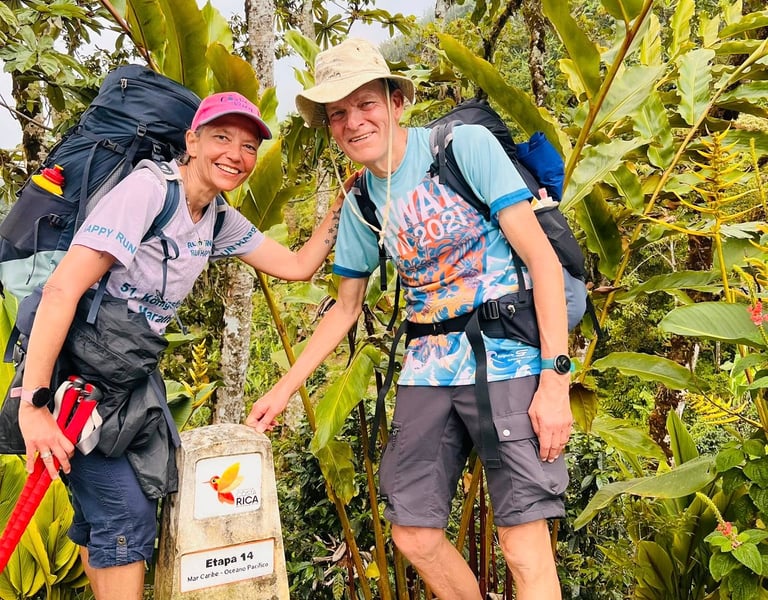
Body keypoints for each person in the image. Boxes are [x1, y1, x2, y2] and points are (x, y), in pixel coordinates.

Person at [247, 38, 572, 599]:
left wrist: (555, 381)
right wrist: (282, 390)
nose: (353, 122)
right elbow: (345, 308)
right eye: (338, 114)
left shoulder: (461, 147)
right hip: (428, 367)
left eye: (365, 104)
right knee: (414, 534)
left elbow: (542, 262)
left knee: (522, 544)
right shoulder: (361, 203)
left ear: (397, 103)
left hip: (509, 355)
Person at [16, 91, 343, 600]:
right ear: (191, 141)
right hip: (76, 383)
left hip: (127, 381)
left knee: (107, 517)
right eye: (221, 138)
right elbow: (62, 289)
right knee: (125, 519)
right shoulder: (148, 190)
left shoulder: (216, 218)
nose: (236, 154)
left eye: (249, 146)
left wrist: (342, 206)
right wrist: (34, 407)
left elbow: (298, 265)